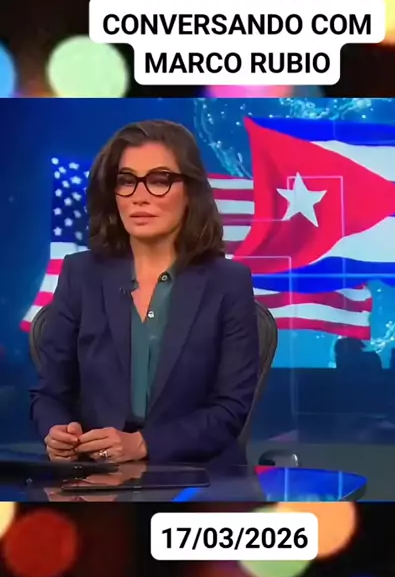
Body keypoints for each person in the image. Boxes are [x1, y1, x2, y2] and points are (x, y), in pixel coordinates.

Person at [30, 120, 259, 467]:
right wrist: (57, 431)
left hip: (197, 477)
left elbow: (230, 409)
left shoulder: (228, 282)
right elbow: (49, 394)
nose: (139, 196)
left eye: (159, 180)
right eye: (126, 181)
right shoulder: (80, 274)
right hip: (94, 474)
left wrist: (142, 444)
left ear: (190, 191)